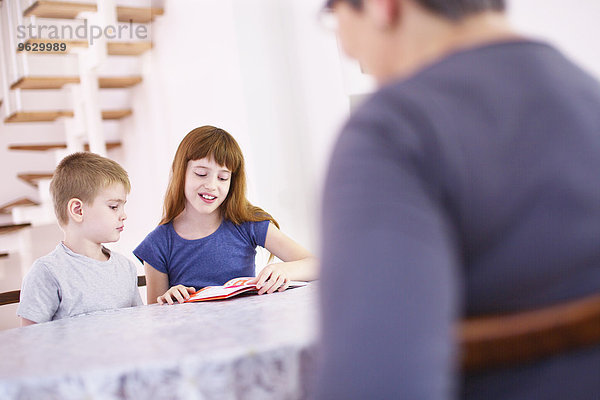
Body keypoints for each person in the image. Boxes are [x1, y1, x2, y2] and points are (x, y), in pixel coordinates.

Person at [316, 0, 600, 399]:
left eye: (336, 17)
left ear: (382, 7)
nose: (348, 49)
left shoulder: (393, 130)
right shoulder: (589, 93)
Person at [134, 126, 318, 305]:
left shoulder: (247, 223)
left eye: (222, 178)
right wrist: (169, 297)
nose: (212, 185)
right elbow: (155, 315)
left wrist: (283, 270)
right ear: (180, 172)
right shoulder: (157, 244)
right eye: (201, 173)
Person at [17, 152, 143, 325]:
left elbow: (138, 325)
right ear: (77, 210)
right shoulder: (47, 272)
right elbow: (31, 341)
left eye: (122, 206)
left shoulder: (126, 267)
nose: (124, 215)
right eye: (114, 207)